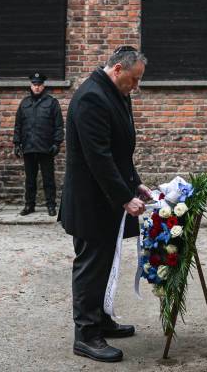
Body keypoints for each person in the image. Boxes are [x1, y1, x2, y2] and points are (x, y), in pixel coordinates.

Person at [59, 46, 152, 363]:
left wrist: (134, 183)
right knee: (90, 267)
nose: (135, 87)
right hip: (90, 202)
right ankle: (86, 335)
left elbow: (120, 151)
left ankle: (100, 320)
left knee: (105, 265)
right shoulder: (92, 97)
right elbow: (98, 157)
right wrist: (125, 198)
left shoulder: (115, 92)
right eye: (134, 79)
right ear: (117, 69)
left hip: (105, 200)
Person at [13, 72, 64, 216]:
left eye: (39, 85)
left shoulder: (52, 103)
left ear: (43, 86)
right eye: (34, 84)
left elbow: (58, 125)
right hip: (28, 147)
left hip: (46, 148)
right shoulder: (24, 103)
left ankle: (51, 205)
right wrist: (17, 143)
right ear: (31, 85)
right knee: (30, 180)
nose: (36, 87)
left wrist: (57, 143)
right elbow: (18, 124)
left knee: (48, 179)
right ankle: (29, 205)